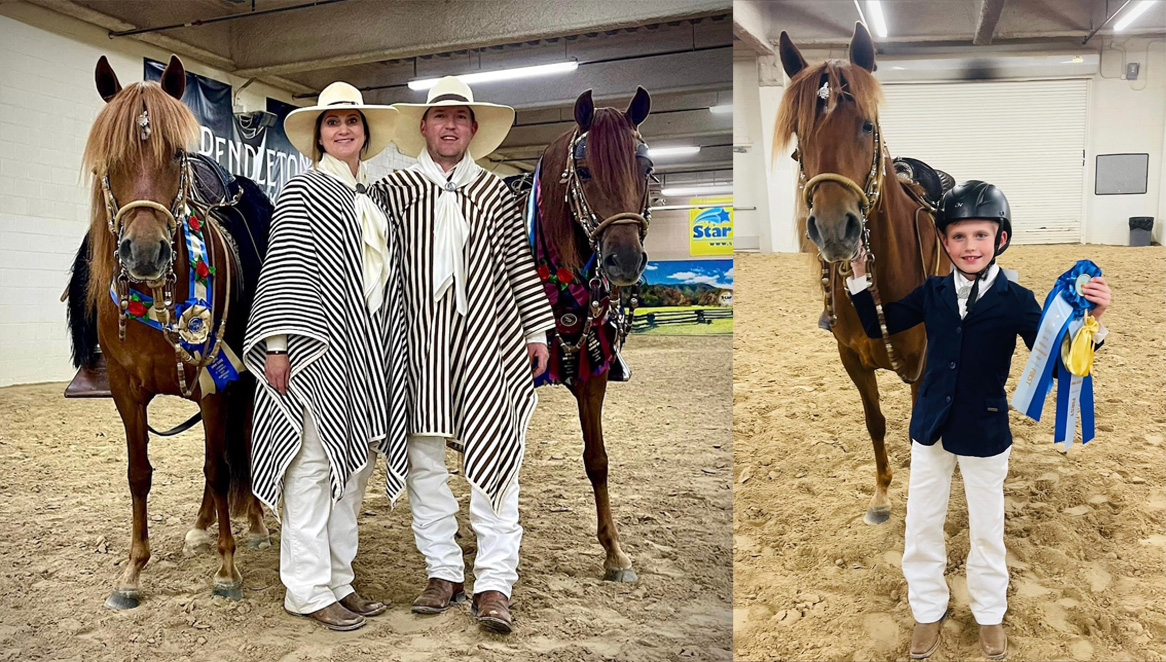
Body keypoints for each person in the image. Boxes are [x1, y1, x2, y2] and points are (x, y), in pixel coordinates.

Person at [846, 181, 1112, 660]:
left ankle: (989, 613)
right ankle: (927, 608)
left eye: (981, 236)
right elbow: (877, 323)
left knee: (987, 529)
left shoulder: (1017, 299)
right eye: (959, 237)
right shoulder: (931, 292)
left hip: (986, 432)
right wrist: (860, 280)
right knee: (922, 524)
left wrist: (1091, 322)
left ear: (1000, 240)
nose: (970, 247)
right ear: (945, 243)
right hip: (930, 429)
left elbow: (1058, 356)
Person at [374, 76, 555, 634]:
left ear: (473, 129)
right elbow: (374, 265)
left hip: (488, 342)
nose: (450, 125)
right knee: (425, 465)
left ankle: (495, 583)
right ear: (423, 126)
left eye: (460, 117)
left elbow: (520, 267)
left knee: (497, 463)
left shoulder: (497, 192)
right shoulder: (394, 191)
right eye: (439, 116)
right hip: (414, 342)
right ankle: (443, 571)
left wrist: (539, 331)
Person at [243, 81, 409, 631]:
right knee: (312, 472)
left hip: (370, 351)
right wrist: (276, 345)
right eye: (332, 122)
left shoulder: (373, 198)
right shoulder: (302, 188)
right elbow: (283, 272)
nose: (343, 129)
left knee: (352, 471)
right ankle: (307, 590)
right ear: (318, 135)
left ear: (364, 133)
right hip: (315, 352)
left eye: (351, 121)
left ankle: (339, 580)